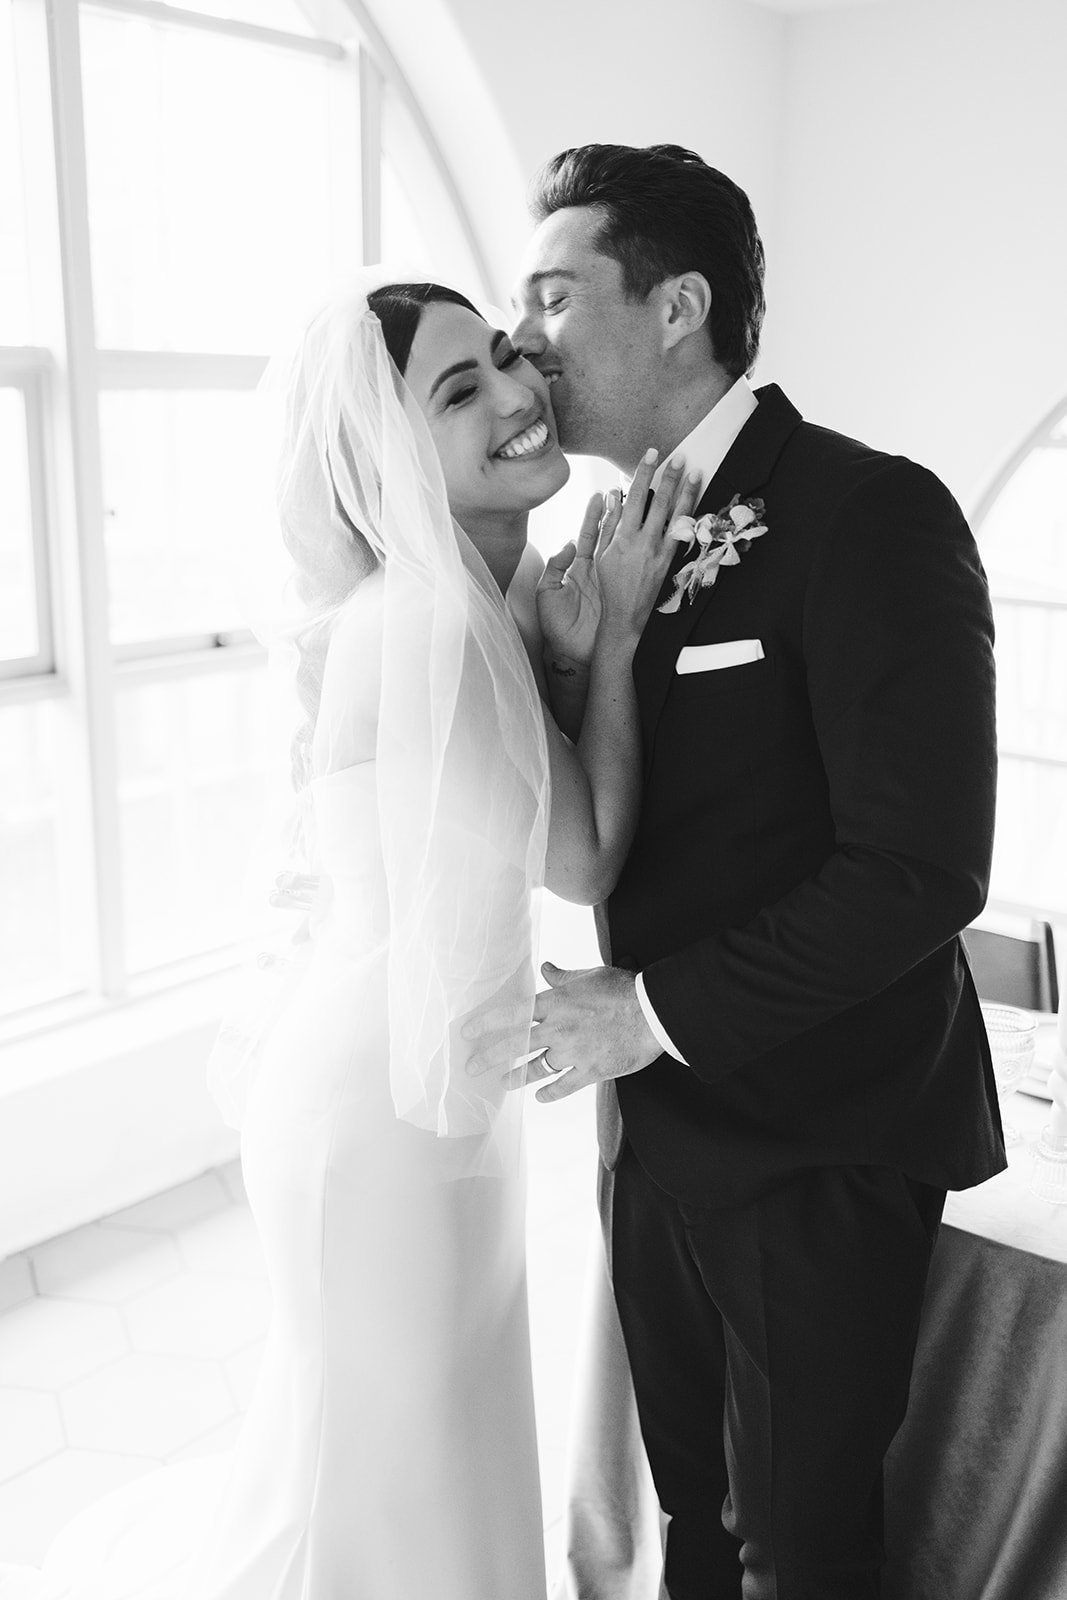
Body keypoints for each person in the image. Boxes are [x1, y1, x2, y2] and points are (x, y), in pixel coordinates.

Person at [0, 276, 697, 1600]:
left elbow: (509, 815)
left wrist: (559, 651)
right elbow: (583, 855)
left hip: (430, 1081)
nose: (514, 392)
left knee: (426, 1440)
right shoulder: (432, 618)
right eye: (457, 389)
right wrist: (608, 644)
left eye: (503, 357)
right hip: (379, 1125)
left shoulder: (456, 609)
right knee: (381, 1463)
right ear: (385, 454)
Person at [470, 144, 1004, 1600]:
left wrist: (643, 1012)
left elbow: (921, 868)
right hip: (657, 1138)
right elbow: (629, 823)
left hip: (820, 1140)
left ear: (679, 305)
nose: (523, 342)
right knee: (692, 1526)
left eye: (557, 297)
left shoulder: (870, 513)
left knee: (802, 1552)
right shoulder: (606, 537)